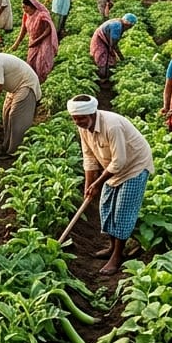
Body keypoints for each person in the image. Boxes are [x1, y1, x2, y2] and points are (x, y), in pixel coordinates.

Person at [67, 95, 153, 276]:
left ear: (92, 113)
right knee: (106, 206)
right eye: (74, 119)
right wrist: (89, 186)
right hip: (113, 168)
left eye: (81, 118)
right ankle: (111, 246)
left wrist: (98, 182)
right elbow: (89, 157)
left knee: (122, 211)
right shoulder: (83, 128)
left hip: (134, 166)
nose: (78, 122)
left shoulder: (112, 125)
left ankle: (117, 256)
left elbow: (120, 162)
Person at [10, 0, 59, 82]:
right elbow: (23, 29)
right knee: (31, 62)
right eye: (23, 7)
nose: (24, 9)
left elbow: (48, 29)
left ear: (32, 6)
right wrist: (17, 43)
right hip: (33, 41)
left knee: (42, 64)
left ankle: (43, 81)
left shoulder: (41, 15)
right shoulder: (26, 15)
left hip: (44, 41)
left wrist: (38, 40)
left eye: (26, 7)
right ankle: (34, 81)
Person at [90, 14, 137, 80]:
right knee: (103, 58)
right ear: (127, 23)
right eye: (130, 26)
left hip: (104, 39)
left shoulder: (119, 22)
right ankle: (102, 78)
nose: (129, 28)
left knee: (109, 57)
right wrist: (121, 57)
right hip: (100, 41)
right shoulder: (117, 26)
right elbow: (113, 44)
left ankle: (105, 76)